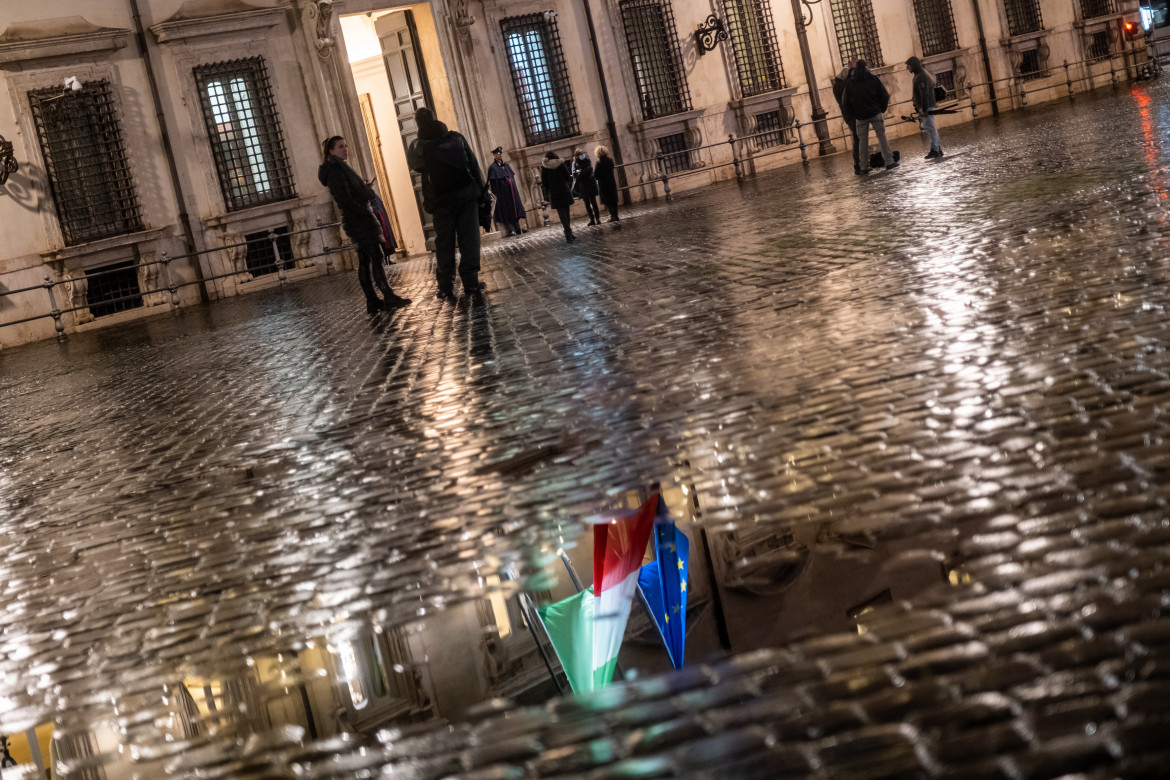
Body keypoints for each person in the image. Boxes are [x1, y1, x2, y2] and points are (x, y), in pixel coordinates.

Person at [318, 136, 411, 313]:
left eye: (345, 145)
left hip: (358, 218)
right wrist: (364, 207)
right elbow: (345, 199)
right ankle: (388, 297)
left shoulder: (339, 167)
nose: (345, 149)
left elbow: (350, 193)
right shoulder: (336, 171)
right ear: (331, 151)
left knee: (365, 259)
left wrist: (363, 189)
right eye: (340, 147)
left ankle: (372, 301)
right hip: (359, 220)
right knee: (375, 258)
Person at [406, 107, 489, 301]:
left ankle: (445, 286)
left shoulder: (418, 146)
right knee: (469, 239)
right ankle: (470, 282)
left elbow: (415, 166)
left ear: (418, 123)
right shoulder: (456, 137)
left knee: (444, 243)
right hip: (466, 195)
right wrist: (481, 193)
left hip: (440, 199)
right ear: (436, 118)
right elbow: (473, 165)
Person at [843, 60, 897, 174]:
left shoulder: (850, 83)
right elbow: (884, 95)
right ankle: (889, 162)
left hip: (860, 117)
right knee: (882, 138)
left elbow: (845, 103)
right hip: (875, 113)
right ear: (866, 67)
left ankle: (864, 167)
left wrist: (854, 114)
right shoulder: (873, 79)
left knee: (862, 142)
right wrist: (881, 108)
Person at [907, 57, 944, 159]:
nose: (907, 67)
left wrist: (924, 110)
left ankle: (935, 150)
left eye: (909, 65)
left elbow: (924, 95)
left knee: (930, 127)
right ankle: (937, 149)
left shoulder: (921, 77)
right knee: (929, 127)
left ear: (914, 65)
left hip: (926, 107)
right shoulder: (918, 76)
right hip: (925, 106)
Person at [487, 146, 527, 236]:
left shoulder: (506, 165)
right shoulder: (493, 168)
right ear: (494, 155)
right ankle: (511, 229)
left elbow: (511, 177)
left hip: (512, 192)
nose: (499, 155)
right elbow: (494, 183)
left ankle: (518, 227)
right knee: (506, 209)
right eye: (497, 154)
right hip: (503, 194)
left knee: (515, 208)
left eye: (500, 153)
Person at [832, 61, 863, 175]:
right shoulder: (839, 86)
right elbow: (846, 85)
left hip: (849, 115)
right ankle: (858, 164)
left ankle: (861, 163)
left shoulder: (838, 85)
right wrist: (851, 71)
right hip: (851, 115)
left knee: (858, 138)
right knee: (857, 139)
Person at [541, 150, 575, 243]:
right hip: (564, 189)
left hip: (554, 191)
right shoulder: (561, 164)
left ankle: (568, 232)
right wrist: (563, 183)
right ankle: (568, 231)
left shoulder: (545, 167)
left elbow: (544, 182)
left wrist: (550, 189)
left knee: (561, 212)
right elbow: (567, 176)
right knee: (566, 210)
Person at [571, 149, 601, 226]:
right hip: (583, 186)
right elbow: (575, 175)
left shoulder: (587, 160)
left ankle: (597, 218)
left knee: (593, 202)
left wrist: (580, 172)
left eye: (582, 154)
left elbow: (590, 170)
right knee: (587, 204)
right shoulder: (575, 164)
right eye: (580, 154)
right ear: (577, 156)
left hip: (590, 184)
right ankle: (592, 219)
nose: (582, 155)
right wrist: (583, 171)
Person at [594, 145, 619, 222]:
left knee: (608, 201)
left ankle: (612, 216)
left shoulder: (598, 163)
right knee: (613, 199)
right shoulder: (610, 160)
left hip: (603, 184)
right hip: (611, 182)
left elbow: (596, 175)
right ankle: (616, 215)